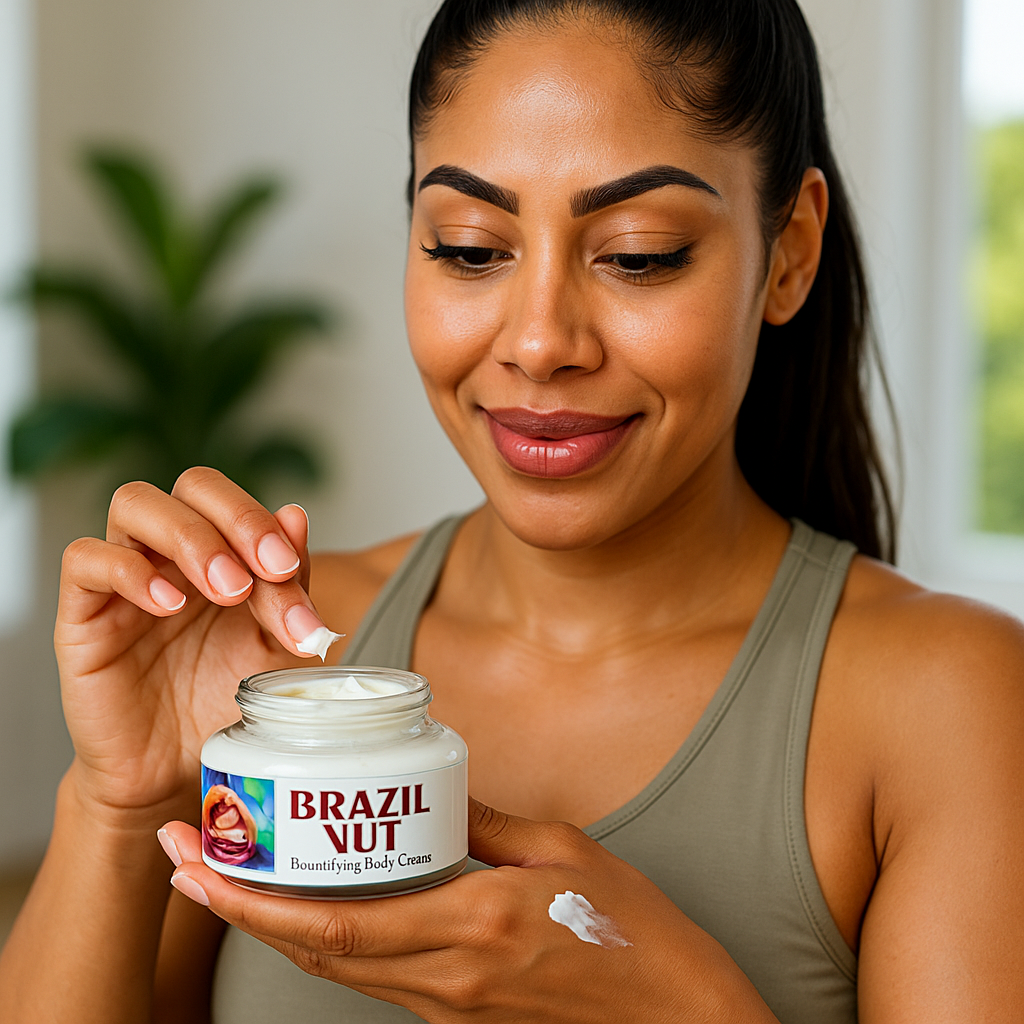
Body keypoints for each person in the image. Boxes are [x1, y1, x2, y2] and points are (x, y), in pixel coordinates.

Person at [2, 0, 1022, 1020]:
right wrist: (118, 800)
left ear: (788, 252)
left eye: (638, 253)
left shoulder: (942, 703)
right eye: (470, 248)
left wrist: (685, 1006)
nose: (539, 342)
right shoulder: (279, 667)